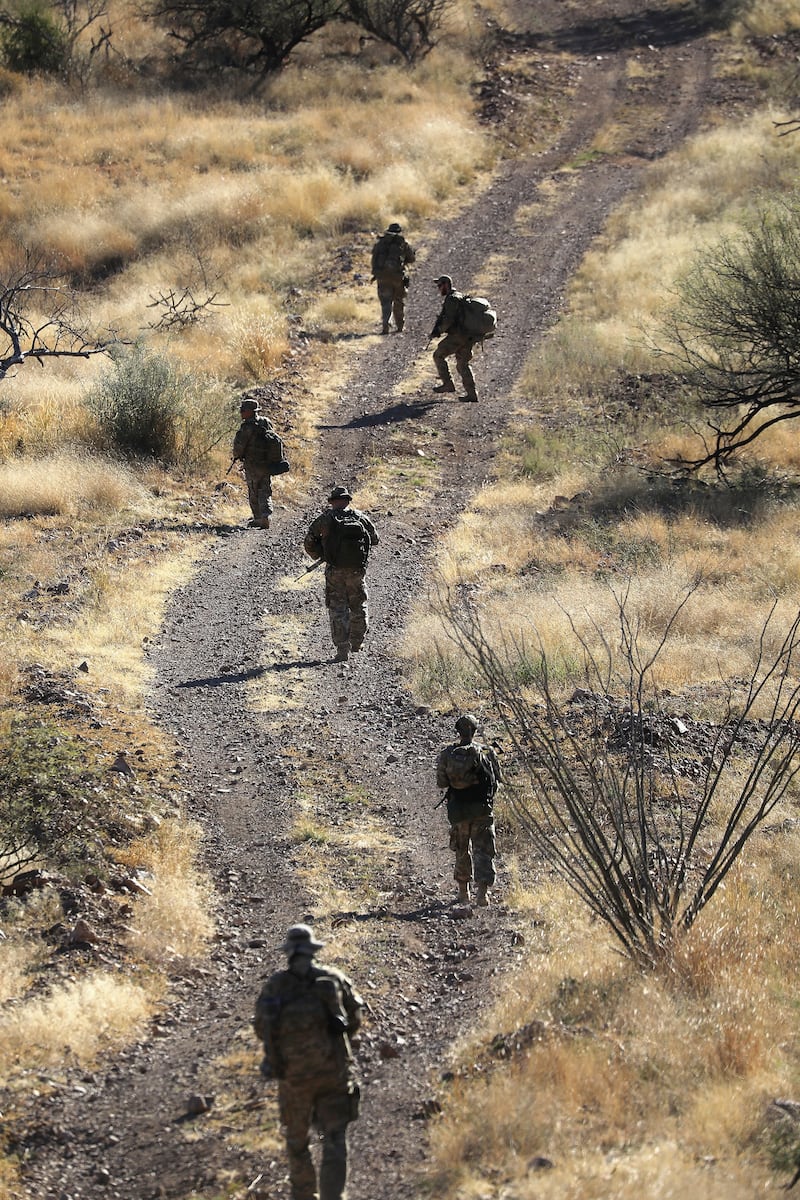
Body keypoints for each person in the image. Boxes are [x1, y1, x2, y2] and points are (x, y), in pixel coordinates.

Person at [254, 924, 363, 1200]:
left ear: (288, 953)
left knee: (298, 1143)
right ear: (313, 950)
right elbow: (354, 1019)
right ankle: (332, 1196)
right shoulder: (333, 979)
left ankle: (304, 1195)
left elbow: (261, 1028)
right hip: (333, 1072)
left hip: (293, 1078)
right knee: (335, 1137)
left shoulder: (275, 986)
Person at [303, 485, 379, 663]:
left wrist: (322, 555)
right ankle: (357, 642)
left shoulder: (326, 519)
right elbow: (375, 539)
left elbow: (309, 542)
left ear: (332, 502)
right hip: (357, 570)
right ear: (347, 501)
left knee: (338, 608)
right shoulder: (359, 517)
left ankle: (342, 649)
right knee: (358, 604)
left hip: (334, 570)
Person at [436, 713, 502, 906]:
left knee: (462, 850)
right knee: (484, 849)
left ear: (458, 731)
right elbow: (497, 780)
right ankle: (482, 894)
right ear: (475, 731)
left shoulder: (447, 754)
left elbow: (441, 783)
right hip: (482, 808)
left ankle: (463, 892)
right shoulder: (487, 752)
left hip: (459, 810)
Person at [231, 398, 288, 529]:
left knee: (253, 490)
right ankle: (266, 515)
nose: (241, 413)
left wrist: (237, 456)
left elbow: (238, 447)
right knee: (265, 490)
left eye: (243, 410)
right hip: (266, 464)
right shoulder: (266, 422)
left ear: (250, 412)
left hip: (252, 465)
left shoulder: (246, 427)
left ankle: (258, 518)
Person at [430, 274, 479, 403]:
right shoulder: (459, 296)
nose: (439, 289)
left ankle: (448, 384)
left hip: (458, 336)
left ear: (446, 285)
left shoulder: (451, 299)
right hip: (468, 335)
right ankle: (472, 394)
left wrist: (438, 331)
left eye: (440, 286)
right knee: (463, 364)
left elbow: (448, 319)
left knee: (438, 355)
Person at [370, 221, 416, 334]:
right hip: (397, 277)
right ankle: (400, 327)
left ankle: (385, 326)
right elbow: (411, 259)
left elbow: (373, 260)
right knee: (398, 301)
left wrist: (377, 273)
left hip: (382, 277)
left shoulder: (380, 244)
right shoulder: (402, 243)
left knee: (385, 302)